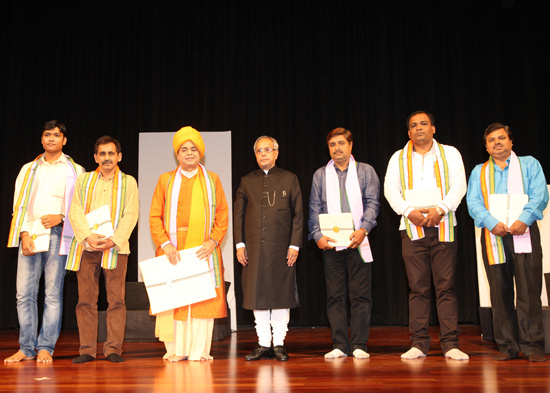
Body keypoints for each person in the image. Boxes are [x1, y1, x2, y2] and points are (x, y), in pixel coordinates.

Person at [384, 111, 468, 360]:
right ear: (408, 133)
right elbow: (391, 189)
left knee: (445, 287)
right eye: (413, 125)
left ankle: (450, 343)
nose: (418, 128)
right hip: (411, 229)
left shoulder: (450, 153)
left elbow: (459, 185)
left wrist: (441, 209)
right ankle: (419, 343)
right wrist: (409, 212)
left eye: (423, 124)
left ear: (433, 128)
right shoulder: (398, 158)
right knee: (417, 288)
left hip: (443, 227)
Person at [466, 123, 548, 362]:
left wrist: (524, 219)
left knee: (529, 290)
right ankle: (507, 347)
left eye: (501, 138)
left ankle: (533, 347)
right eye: (491, 140)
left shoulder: (529, 164)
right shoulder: (478, 172)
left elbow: (540, 194)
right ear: (486, 147)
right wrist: (490, 222)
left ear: (511, 142)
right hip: (494, 234)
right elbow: (473, 203)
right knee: (499, 291)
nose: (497, 143)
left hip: (524, 231)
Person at [5, 120, 85, 364]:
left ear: (64, 140)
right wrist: (24, 234)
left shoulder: (75, 170)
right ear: (42, 139)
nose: (52, 139)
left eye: (57, 135)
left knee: (52, 294)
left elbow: (80, 208)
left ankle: (45, 348)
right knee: (24, 295)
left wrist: (60, 217)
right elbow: (18, 206)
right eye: (47, 135)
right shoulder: (28, 169)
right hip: (30, 234)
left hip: (58, 235)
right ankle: (26, 347)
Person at [150, 126, 228, 362]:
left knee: (202, 299)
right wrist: (166, 244)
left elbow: (222, 214)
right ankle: (176, 350)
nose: (189, 153)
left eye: (193, 148)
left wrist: (213, 241)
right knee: (176, 298)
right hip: (173, 249)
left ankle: (198, 351)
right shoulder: (165, 180)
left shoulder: (212, 179)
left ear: (200, 153)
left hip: (203, 250)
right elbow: (155, 216)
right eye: (184, 149)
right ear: (177, 154)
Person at [308, 127, 380, 359]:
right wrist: (317, 235)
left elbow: (373, 203)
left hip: (358, 241)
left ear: (351, 146)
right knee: (335, 296)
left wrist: (364, 229)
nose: (337, 148)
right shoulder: (320, 175)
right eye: (332, 145)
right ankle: (339, 344)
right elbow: (314, 208)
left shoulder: (365, 171)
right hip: (331, 244)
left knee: (360, 295)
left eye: (341, 143)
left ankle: (359, 344)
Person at [67, 136, 139, 363]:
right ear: (95, 157)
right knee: (86, 299)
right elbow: (75, 210)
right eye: (102, 154)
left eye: (111, 154)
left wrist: (115, 240)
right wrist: (87, 235)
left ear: (119, 156)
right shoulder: (84, 180)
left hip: (116, 248)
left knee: (116, 300)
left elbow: (131, 214)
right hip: (88, 246)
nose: (107, 158)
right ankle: (87, 350)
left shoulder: (129, 182)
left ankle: (113, 349)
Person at [234, 136, 303, 362]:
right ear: (255, 155)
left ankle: (280, 342)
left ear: (276, 153)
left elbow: (298, 215)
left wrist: (294, 245)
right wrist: (239, 244)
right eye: (259, 150)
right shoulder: (246, 181)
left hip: (282, 249)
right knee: (257, 295)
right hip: (252, 249)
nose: (263, 153)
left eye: (268, 149)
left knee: (280, 294)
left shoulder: (290, 179)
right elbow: (238, 216)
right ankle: (264, 342)